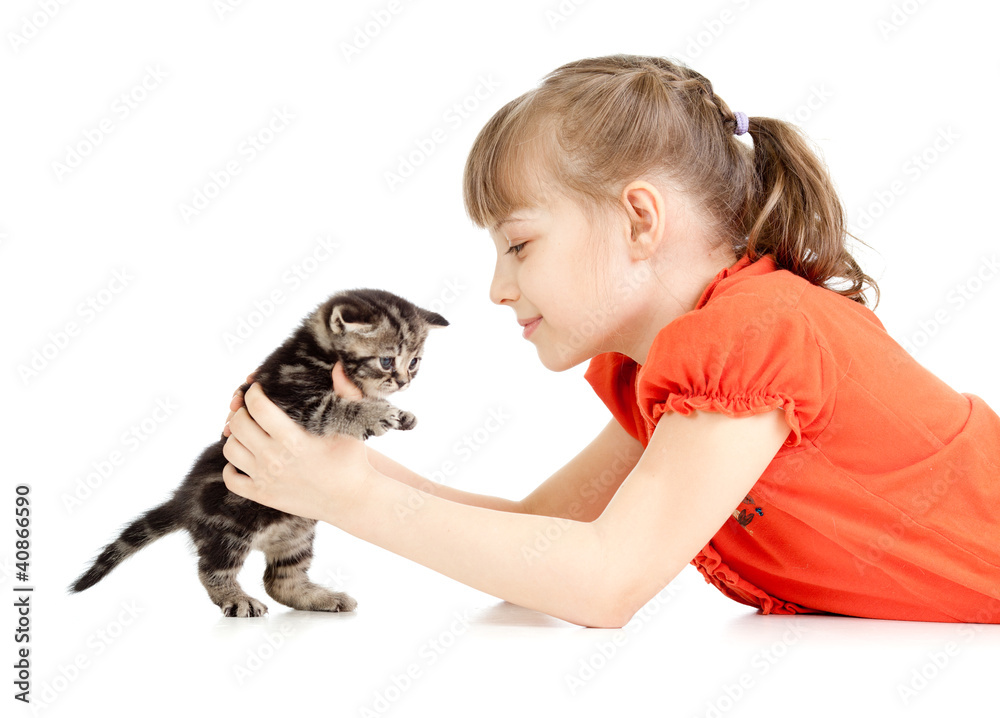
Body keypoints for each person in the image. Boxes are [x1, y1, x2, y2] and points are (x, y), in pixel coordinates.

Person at [221, 54, 1000, 626]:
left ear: (639, 219)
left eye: (519, 245)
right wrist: (339, 464)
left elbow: (604, 582)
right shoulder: (665, 375)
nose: (497, 288)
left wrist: (345, 496)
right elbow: (540, 544)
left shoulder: (756, 335)